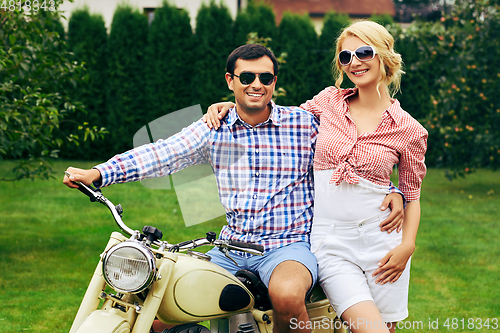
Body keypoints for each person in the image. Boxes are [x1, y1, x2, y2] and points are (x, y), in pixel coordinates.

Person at [63, 43, 404, 333]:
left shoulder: (303, 124)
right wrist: (98, 173)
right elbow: (162, 153)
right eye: (247, 77)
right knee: (160, 302)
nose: (256, 84)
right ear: (231, 81)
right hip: (228, 247)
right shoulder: (215, 127)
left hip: (287, 247)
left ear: (274, 82)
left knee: (286, 296)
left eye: (265, 78)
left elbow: (351, 155)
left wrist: (392, 189)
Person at [203, 22, 427, 333]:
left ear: (385, 57)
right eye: (345, 57)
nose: (354, 62)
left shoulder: (410, 130)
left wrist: (407, 244)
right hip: (331, 241)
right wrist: (238, 107)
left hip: (383, 244)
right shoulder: (328, 102)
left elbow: (412, 195)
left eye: (364, 52)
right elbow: (279, 123)